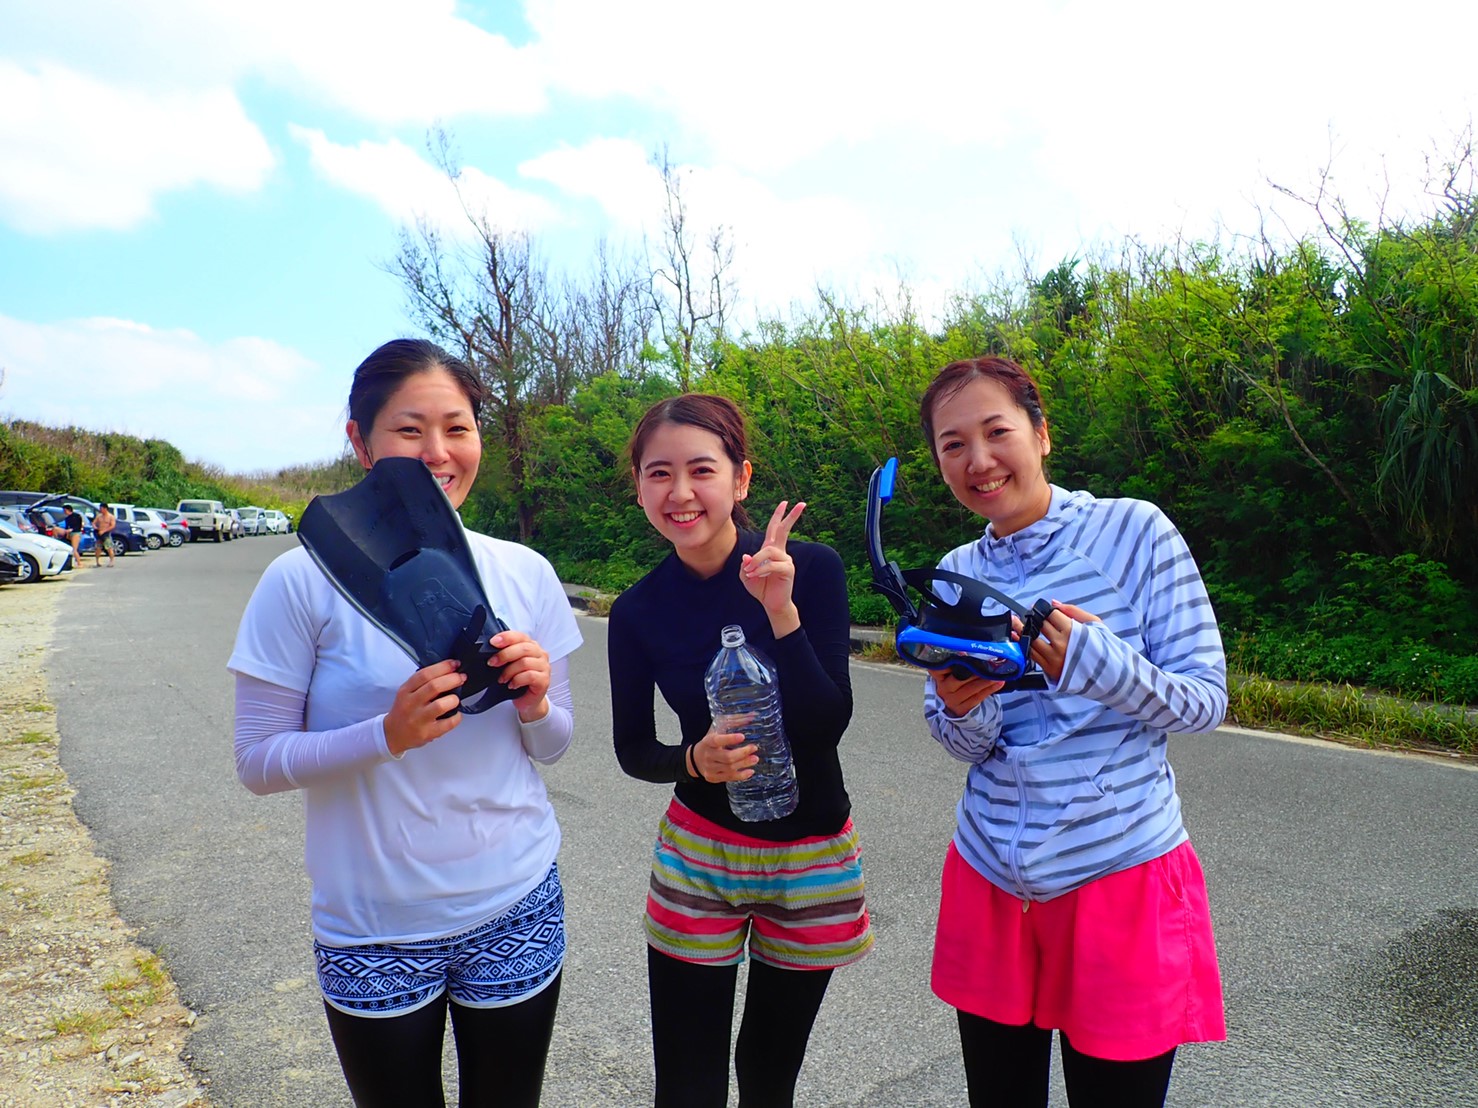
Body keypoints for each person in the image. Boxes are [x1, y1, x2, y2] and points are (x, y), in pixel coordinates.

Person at [226, 338, 583, 1108]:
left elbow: (554, 745)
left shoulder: (526, 572)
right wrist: (386, 736)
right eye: (409, 430)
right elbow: (256, 761)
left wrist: (536, 704)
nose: (437, 452)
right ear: (360, 443)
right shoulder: (301, 580)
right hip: (373, 924)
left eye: (458, 428)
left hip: (515, 899)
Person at [916, 356, 1227, 1108]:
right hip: (990, 878)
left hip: (1119, 877)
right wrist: (962, 707)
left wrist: (1095, 663)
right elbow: (962, 742)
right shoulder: (957, 569)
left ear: (1042, 434)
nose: (979, 460)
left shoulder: (1134, 531)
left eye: (997, 432)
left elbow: (1204, 702)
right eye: (954, 444)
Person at [608, 393, 873, 1108]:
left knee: (767, 1073)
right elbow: (633, 748)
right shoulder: (636, 612)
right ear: (639, 486)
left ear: (741, 477)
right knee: (687, 1082)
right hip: (701, 852)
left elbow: (825, 727)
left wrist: (779, 610)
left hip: (811, 853)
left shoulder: (809, 568)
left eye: (702, 469)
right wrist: (693, 761)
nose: (681, 492)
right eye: (659, 473)